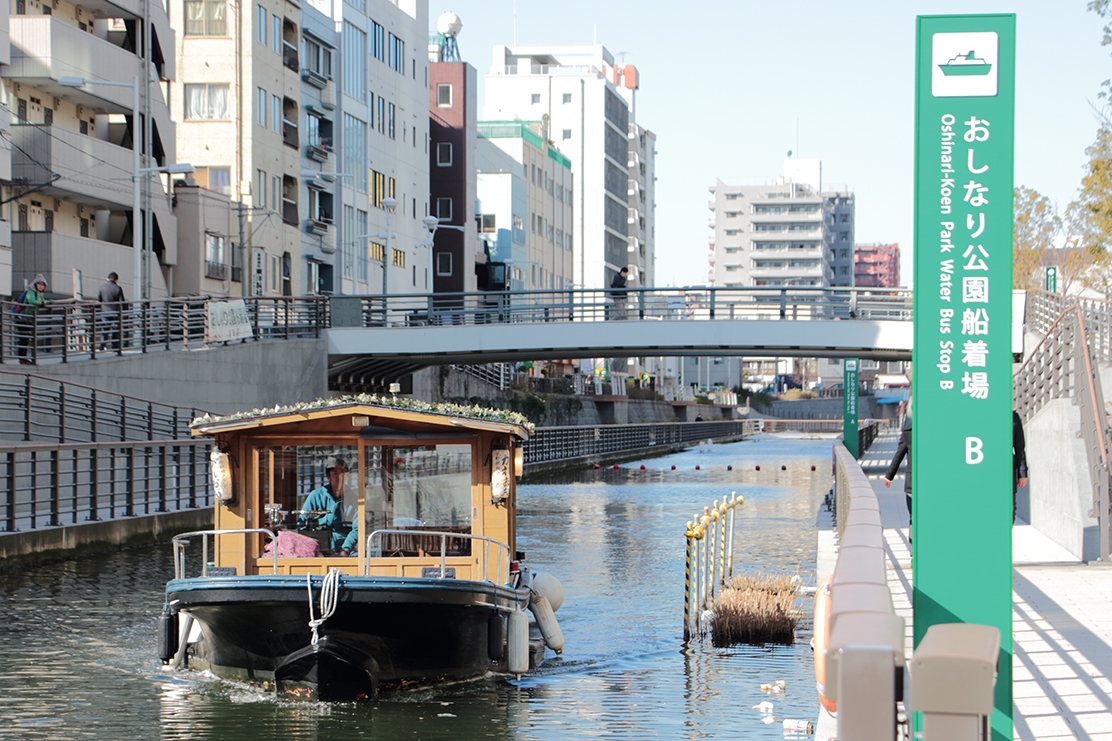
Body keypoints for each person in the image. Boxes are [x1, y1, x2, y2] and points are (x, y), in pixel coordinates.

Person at [298, 457, 358, 555]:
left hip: (345, 547)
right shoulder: (315, 496)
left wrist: (345, 550)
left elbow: (357, 528)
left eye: (343, 473)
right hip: (318, 548)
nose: (339, 477)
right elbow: (301, 523)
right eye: (335, 473)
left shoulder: (354, 499)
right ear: (328, 477)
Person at [884, 415, 913, 540]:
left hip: (913, 484)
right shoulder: (937, 430)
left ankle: (913, 548)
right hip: (929, 484)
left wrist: (889, 475)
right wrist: (889, 475)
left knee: (913, 517)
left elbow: (899, 454)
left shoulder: (909, 431)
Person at [14, 274, 47, 365]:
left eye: (43, 284)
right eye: (39, 284)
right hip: (22, 318)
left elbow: (43, 301)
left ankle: (24, 358)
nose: (41, 286)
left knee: (26, 339)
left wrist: (42, 302)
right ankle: (22, 359)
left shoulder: (40, 293)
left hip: (29, 319)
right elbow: (31, 301)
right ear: (35, 284)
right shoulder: (31, 291)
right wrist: (40, 303)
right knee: (23, 339)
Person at [97, 272, 126, 352]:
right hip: (115, 312)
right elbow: (122, 301)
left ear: (107, 279)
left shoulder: (102, 287)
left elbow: (99, 299)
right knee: (115, 330)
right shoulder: (118, 288)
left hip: (105, 311)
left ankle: (102, 345)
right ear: (116, 280)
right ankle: (115, 347)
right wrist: (124, 312)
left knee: (104, 329)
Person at [1014, 411, 1028, 523]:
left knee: (1010, 508)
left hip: (1007, 470)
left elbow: (1019, 448)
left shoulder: (1013, 417)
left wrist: (1022, 473)